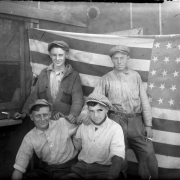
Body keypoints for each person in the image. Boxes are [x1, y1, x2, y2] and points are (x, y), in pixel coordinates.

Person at [77, 45, 158, 179]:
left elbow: (145, 101)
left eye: (122, 58)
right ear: (112, 60)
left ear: (128, 58)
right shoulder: (106, 78)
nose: (119, 61)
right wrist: (85, 113)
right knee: (119, 157)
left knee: (148, 154)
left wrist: (148, 124)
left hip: (137, 122)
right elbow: (93, 98)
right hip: (116, 121)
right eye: (116, 59)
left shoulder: (135, 76)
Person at [14, 40, 84, 123]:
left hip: (64, 122)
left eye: (61, 55)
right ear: (50, 55)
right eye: (54, 55)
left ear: (67, 55)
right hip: (45, 121)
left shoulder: (74, 75)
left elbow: (78, 100)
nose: (57, 58)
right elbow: (34, 96)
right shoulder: (44, 73)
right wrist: (24, 113)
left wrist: (73, 115)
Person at [62, 93, 125, 180]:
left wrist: (111, 176)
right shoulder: (84, 125)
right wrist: (76, 125)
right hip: (81, 169)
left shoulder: (115, 128)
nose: (95, 115)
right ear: (88, 111)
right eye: (92, 111)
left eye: (99, 110)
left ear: (106, 109)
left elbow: (118, 156)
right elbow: (77, 146)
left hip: (103, 171)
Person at [11, 99, 79, 180]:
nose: (42, 119)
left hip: (69, 168)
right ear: (32, 117)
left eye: (45, 115)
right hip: (48, 169)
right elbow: (19, 167)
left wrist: (74, 119)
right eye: (38, 116)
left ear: (50, 114)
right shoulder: (29, 137)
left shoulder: (62, 123)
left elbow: (81, 125)